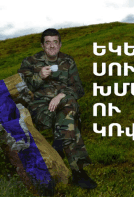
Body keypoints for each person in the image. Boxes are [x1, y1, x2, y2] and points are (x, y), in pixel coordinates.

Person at [18, 28, 97, 189]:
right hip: (41, 109)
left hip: (63, 104)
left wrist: (61, 95)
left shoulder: (68, 61)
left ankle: (64, 149)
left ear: (60, 45)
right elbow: (21, 87)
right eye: (48, 42)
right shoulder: (30, 62)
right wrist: (38, 76)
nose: (52, 46)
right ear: (42, 45)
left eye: (55, 42)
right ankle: (78, 171)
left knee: (69, 107)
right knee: (70, 118)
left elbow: (79, 89)